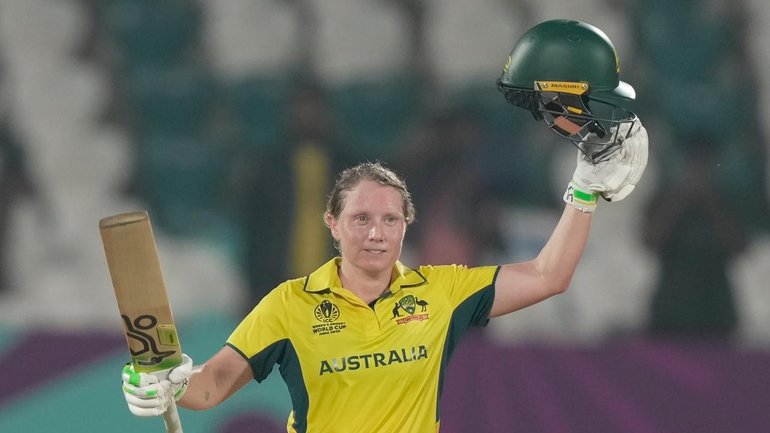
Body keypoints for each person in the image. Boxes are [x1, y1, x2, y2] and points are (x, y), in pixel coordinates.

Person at [119, 19, 649, 432]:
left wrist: (584, 193)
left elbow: (548, 276)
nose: (376, 232)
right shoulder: (288, 306)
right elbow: (213, 385)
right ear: (332, 225)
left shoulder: (441, 294)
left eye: (390, 218)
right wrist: (170, 383)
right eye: (361, 218)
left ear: (405, 226)